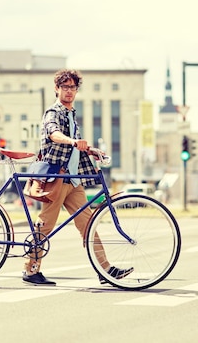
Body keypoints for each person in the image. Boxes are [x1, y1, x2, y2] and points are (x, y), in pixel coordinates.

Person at [22, 69, 133, 286]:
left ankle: (105, 270)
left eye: (73, 87)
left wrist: (90, 150)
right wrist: (73, 142)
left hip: (73, 180)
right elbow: (53, 133)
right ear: (57, 89)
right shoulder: (53, 112)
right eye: (65, 87)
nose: (69, 91)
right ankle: (30, 269)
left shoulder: (72, 114)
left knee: (89, 224)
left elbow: (77, 143)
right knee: (45, 225)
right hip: (57, 178)